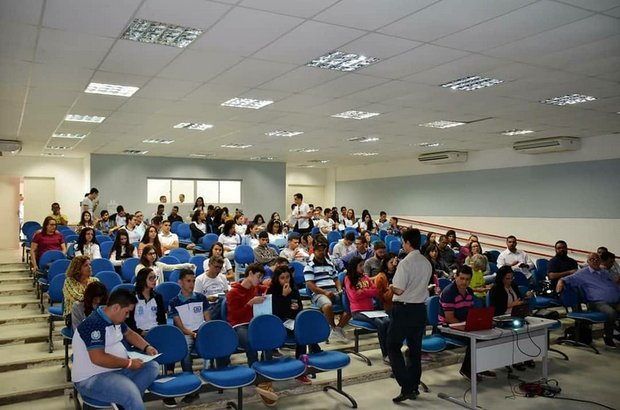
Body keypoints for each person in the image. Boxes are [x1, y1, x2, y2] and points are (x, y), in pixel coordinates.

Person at [71, 289, 159, 410]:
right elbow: (98, 358)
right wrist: (129, 363)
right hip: (92, 378)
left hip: (116, 370)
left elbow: (129, 333)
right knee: (130, 392)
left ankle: (124, 402)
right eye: (127, 312)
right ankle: (128, 399)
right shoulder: (93, 324)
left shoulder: (115, 319)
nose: (127, 316)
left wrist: (147, 347)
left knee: (152, 367)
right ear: (116, 307)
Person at [386, 228, 432, 403]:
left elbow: (399, 289)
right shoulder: (426, 262)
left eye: (403, 242)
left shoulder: (405, 263)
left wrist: (390, 286)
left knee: (392, 346)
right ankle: (413, 385)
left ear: (407, 242)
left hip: (404, 310)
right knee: (414, 350)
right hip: (419, 310)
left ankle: (406, 387)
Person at [226, 263, 279, 406]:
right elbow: (234, 315)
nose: (260, 279)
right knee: (251, 343)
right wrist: (250, 303)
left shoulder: (256, 288)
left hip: (253, 323)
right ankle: (256, 376)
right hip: (238, 325)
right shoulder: (233, 292)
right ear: (250, 274)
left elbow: (269, 289)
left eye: (261, 277)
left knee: (267, 341)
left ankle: (265, 374)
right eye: (258, 276)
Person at [439, 265, 497, 381]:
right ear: (456, 277)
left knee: (486, 335)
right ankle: (467, 369)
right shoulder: (449, 293)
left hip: (463, 325)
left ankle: (480, 367)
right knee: (474, 339)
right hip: (447, 328)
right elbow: (450, 318)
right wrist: (467, 327)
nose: (464, 282)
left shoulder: (469, 291)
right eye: (462, 278)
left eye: (467, 279)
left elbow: (470, 312)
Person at [268, 265, 320, 385]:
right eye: (282, 278)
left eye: (287, 277)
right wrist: (284, 296)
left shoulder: (294, 289)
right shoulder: (272, 290)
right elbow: (274, 311)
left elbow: (299, 307)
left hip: (291, 321)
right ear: (277, 279)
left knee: (303, 330)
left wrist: (294, 307)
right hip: (277, 322)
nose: (286, 280)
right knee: (300, 331)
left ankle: (301, 367)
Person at [557, 253, 620, 348]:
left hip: (615, 300)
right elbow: (566, 279)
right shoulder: (582, 273)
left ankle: (617, 332)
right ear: (588, 261)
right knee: (611, 313)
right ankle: (608, 337)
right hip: (597, 302)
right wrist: (560, 282)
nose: (595, 261)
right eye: (592, 259)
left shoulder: (605, 272)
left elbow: (615, 280)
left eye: (597, 259)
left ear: (600, 261)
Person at [168, 269, 210, 404]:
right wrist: (192, 334)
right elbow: (180, 326)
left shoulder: (201, 298)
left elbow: (207, 320)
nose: (192, 284)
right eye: (188, 281)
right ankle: (192, 389)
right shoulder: (174, 302)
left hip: (201, 331)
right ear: (180, 282)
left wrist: (204, 331)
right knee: (185, 355)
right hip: (186, 333)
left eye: (193, 281)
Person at [345, 256, 390, 363]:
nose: (362, 268)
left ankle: (392, 349)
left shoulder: (365, 277)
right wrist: (367, 291)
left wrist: (363, 291)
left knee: (388, 320)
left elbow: (375, 291)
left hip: (370, 310)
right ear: (354, 266)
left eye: (363, 265)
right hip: (358, 311)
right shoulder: (348, 279)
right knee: (380, 323)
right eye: (360, 266)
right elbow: (354, 296)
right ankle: (386, 354)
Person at [303, 242, 349, 342]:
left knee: (351, 304)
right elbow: (310, 285)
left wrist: (339, 289)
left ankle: (338, 328)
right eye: (319, 250)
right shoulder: (309, 266)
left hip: (333, 291)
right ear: (314, 252)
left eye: (323, 250)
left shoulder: (330, 263)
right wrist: (325, 293)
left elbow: (336, 279)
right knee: (327, 305)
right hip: (319, 293)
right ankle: (333, 327)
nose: (321, 252)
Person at [126, 268, 166, 337]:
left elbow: (162, 320)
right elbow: (128, 322)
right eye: (151, 278)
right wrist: (141, 332)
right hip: (137, 334)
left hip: (156, 332)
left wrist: (158, 331)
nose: (154, 280)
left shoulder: (158, 297)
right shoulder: (132, 297)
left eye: (155, 277)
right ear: (142, 280)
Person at [194, 255, 230, 320]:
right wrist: (207, 299)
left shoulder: (223, 277)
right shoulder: (200, 279)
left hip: (222, 305)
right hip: (208, 306)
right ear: (209, 265)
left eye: (220, 268)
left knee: (224, 302)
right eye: (216, 267)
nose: (218, 270)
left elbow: (227, 294)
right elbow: (196, 300)